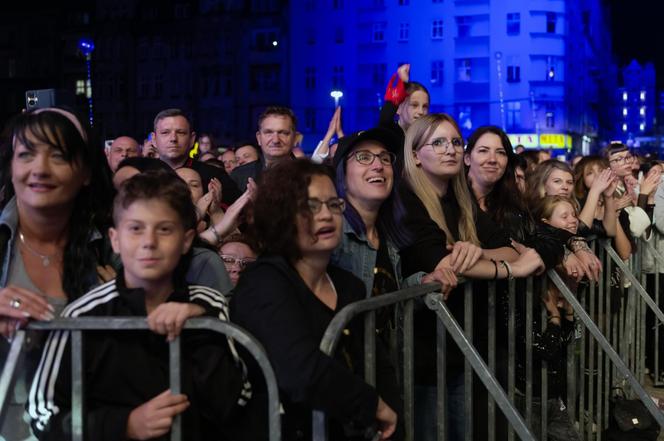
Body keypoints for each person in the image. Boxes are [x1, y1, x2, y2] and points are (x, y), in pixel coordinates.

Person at [28, 170, 251, 440]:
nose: (149, 242)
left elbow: (238, 401)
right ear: (115, 239)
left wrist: (201, 329)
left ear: (186, 240)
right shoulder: (84, 314)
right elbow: (43, 413)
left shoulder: (208, 305)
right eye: (135, 228)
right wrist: (125, 425)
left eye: (165, 229)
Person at [394, 114, 543, 441]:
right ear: (416, 154)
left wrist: (477, 253)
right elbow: (444, 260)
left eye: (455, 142)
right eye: (438, 142)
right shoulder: (405, 197)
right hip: (425, 349)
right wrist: (510, 270)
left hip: (462, 342)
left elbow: (509, 247)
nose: (450, 150)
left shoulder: (458, 199)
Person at [230, 159, 399, 440]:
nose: (326, 215)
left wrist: (392, 415)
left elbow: (376, 365)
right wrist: (373, 405)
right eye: (311, 206)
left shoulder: (349, 286)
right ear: (281, 216)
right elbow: (300, 370)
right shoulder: (264, 282)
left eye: (334, 204)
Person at [0, 108, 115, 440]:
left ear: (86, 173)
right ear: (11, 166)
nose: (40, 169)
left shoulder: (114, 247)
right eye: (26, 154)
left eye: (59, 156)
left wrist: (132, 302)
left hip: (83, 426)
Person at [151, 108, 240, 205]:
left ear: (192, 139)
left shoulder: (215, 176)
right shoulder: (141, 174)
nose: (173, 139)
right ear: (154, 140)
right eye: (165, 133)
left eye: (181, 132)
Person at [230, 107, 298, 191]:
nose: (275, 140)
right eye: (268, 133)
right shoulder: (239, 176)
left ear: (295, 138)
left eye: (283, 133)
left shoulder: (311, 176)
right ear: (259, 138)